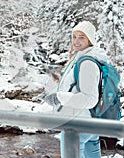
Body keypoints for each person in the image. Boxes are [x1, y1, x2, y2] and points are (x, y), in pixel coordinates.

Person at [44, 21, 107, 158]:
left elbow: (89, 99)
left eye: (82, 37)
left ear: (90, 40)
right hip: (90, 123)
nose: (76, 41)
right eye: (74, 36)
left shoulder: (87, 63)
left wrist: (59, 98)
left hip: (78, 124)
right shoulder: (82, 59)